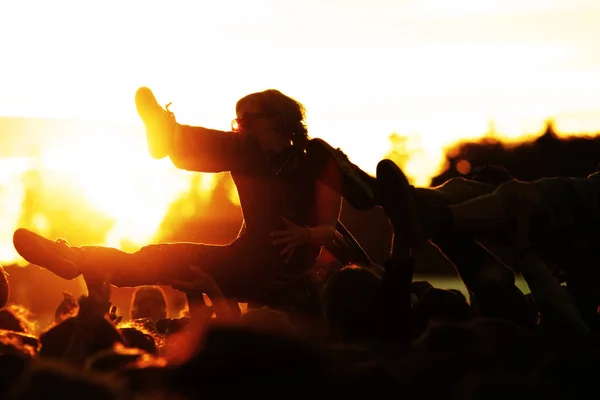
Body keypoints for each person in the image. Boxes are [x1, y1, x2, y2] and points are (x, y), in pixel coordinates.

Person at [13, 87, 359, 306]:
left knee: (171, 256)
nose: (238, 127)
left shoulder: (315, 159)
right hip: (249, 257)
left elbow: (329, 226)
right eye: (236, 121)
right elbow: (217, 150)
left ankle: (170, 135)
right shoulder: (249, 153)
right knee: (165, 258)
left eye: (246, 120)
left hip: (284, 266)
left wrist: (305, 235)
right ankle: (77, 258)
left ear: (277, 119)